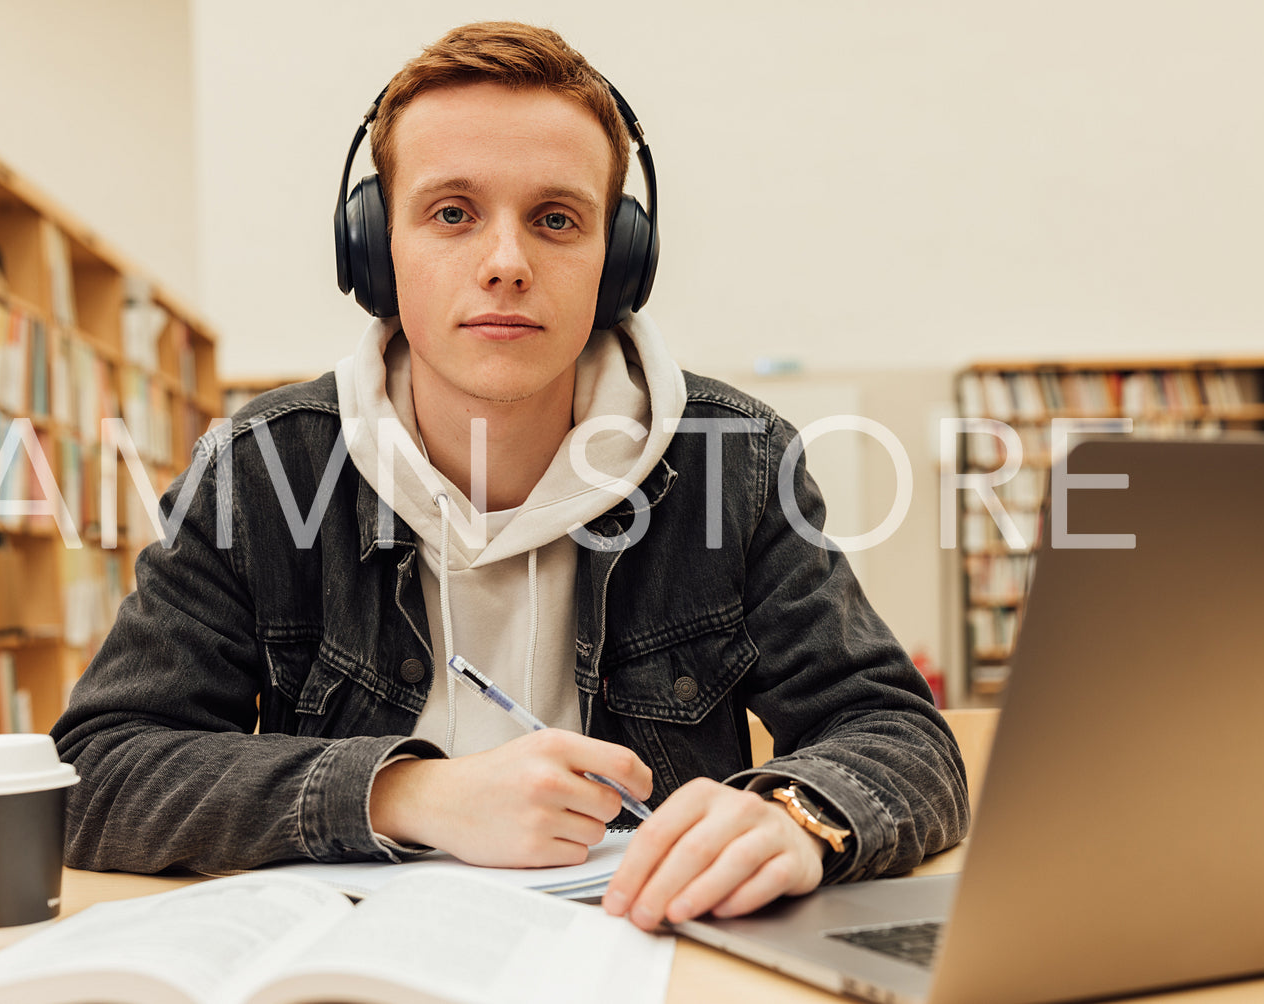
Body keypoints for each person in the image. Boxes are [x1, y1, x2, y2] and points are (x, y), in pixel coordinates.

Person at [51, 21, 967, 933]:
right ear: (374, 250)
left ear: (620, 261)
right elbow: (96, 772)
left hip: (650, 954)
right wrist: (410, 794)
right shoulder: (257, 472)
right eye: (451, 212)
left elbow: (899, 734)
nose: (505, 264)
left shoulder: (739, 463)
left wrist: (798, 815)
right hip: (356, 963)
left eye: (555, 219)